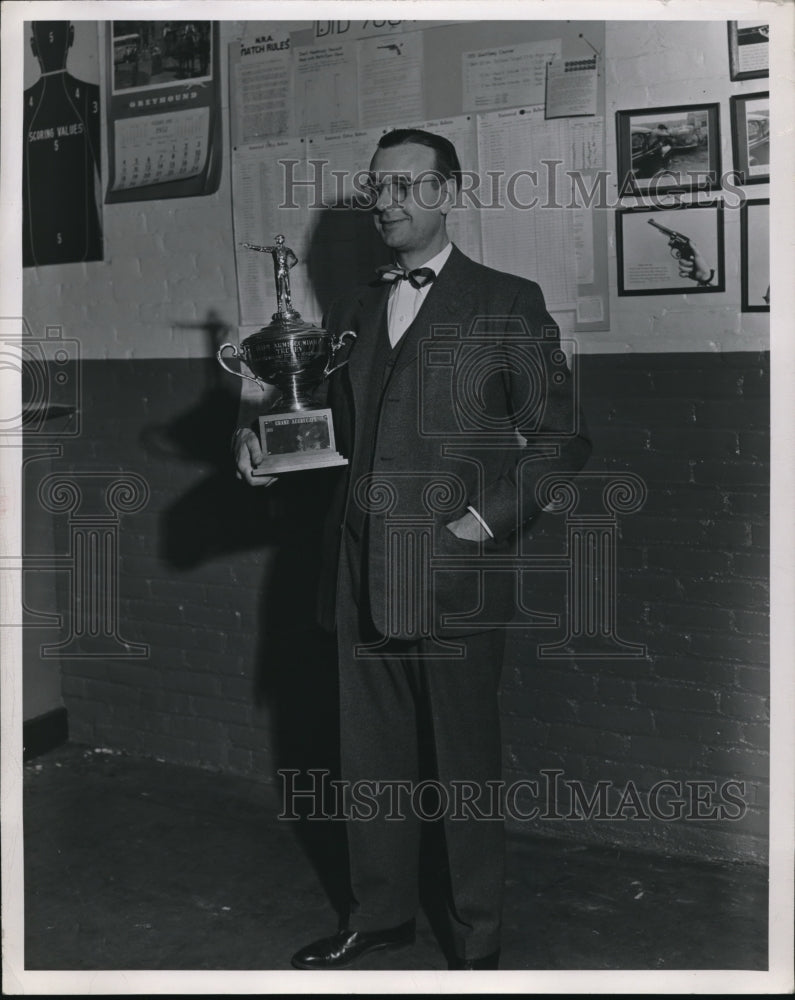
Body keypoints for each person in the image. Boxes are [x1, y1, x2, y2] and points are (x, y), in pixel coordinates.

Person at [233, 128, 591, 970]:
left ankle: (476, 937)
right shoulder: (357, 308)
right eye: (376, 188)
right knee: (371, 763)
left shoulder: (507, 300)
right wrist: (262, 449)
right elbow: (327, 433)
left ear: (445, 194)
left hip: (454, 575)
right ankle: (381, 914)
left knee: (462, 766)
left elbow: (561, 441)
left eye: (403, 186)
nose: (385, 202)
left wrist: (478, 526)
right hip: (360, 572)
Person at [23, 21, 102, 267]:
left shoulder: (20, 106)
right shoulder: (89, 95)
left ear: (32, 46)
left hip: (39, 247)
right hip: (81, 243)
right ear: (71, 36)